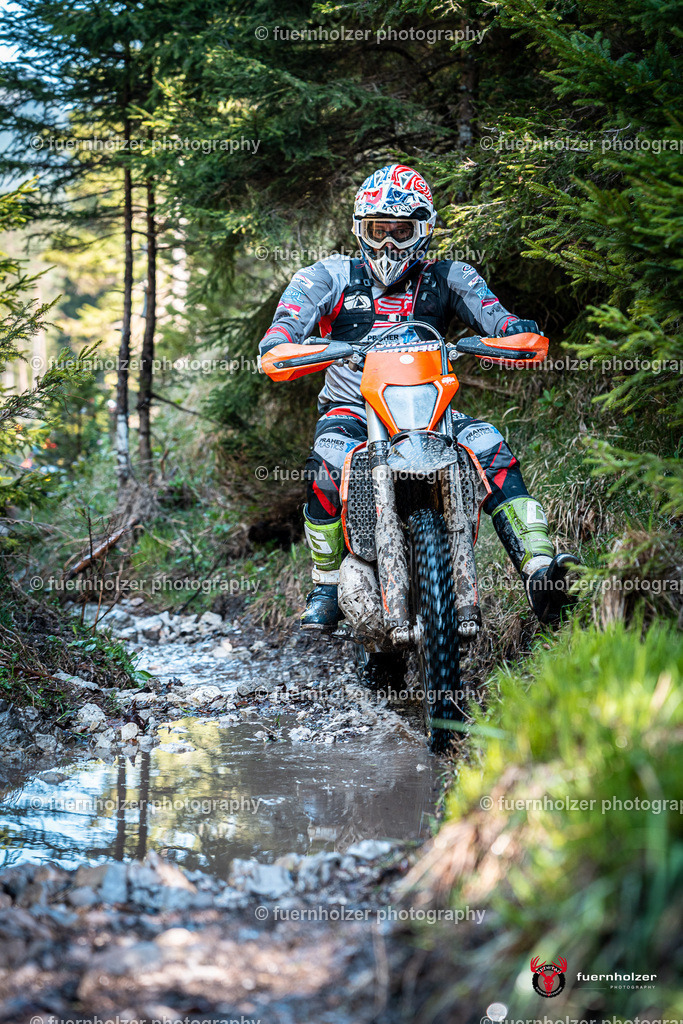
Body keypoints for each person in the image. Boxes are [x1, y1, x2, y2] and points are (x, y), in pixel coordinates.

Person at [259, 164, 577, 630]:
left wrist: (514, 333)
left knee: (491, 447)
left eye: (400, 231)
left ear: (422, 231)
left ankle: (539, 574)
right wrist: (283, 341)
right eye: (377, 230)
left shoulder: (449, 276)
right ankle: (325, 583)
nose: (388, 243)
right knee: (327, 462)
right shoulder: (327, 276)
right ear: (358, 230)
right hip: (354, 410)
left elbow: (495, 316)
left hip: (433, 411)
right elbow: (287, 322)